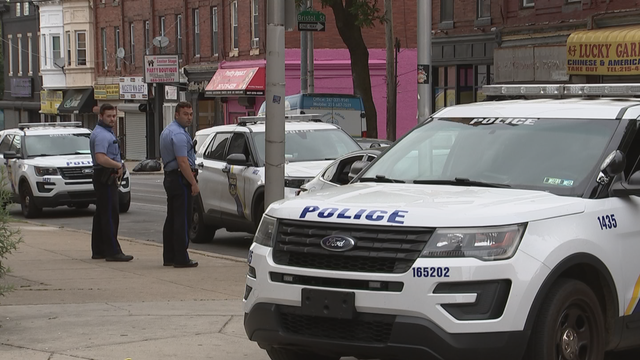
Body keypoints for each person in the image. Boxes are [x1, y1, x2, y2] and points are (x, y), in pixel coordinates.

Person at [90, 103, 133, 262]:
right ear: (101, 116)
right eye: (108, 116)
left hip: (104, 175)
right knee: (109, 214)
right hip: (105, 176)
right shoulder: (102, 134)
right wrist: (118, 165)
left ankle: (99, 249)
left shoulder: (105, 132)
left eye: (114, 116)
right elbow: (101, 158)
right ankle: (112, 251)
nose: (112, 119)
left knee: (102, 213)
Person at [159, 101, 199, 268]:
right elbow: (183, 162)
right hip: (180, 179)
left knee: (172, 219)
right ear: (177, 114)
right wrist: (193, 183)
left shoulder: (167, 131)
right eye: (185, 114)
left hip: (170, 177)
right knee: (182, 220)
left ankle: (169, 256)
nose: (189, 117)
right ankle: (181, 258)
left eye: (191, 114)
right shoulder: (180, 135)